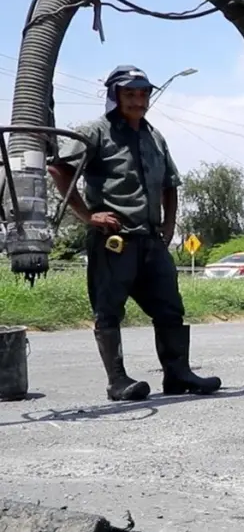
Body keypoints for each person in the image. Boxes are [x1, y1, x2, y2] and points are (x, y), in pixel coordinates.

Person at [48, 65, 222, 401]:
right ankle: (117, 381)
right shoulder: (97, 131)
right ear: (115, 96)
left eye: (143, 94)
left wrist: (170, 225)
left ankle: (178, 374)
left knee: (170, 307)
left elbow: (171, 185)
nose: (138, 100)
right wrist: (88, 215)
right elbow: (59, 168)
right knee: (109, 310)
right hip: (114, 240)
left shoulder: (154, 137)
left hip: (151, 240)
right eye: (130, 93)